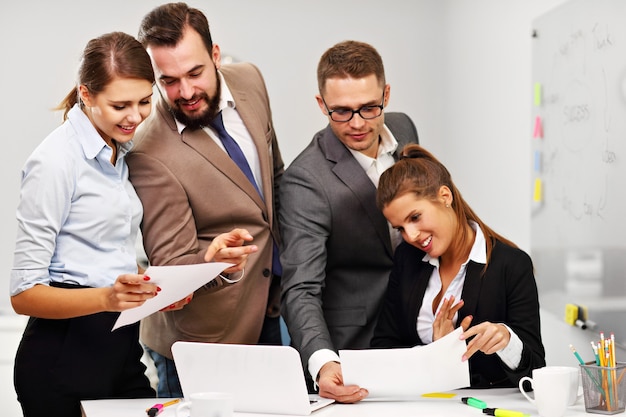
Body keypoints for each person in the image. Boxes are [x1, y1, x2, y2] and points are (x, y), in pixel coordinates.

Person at [127, 2, 284, 398]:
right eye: (169, 80)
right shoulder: (149, 150)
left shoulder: (250, 80)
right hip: (202, 339)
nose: (187, 92)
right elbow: (173, 269)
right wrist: (214, 262)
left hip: (273, 310)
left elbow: (274, 180)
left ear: (216, 55)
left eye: (195, 72)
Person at [9, 31, 158, 417]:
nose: (135, 116)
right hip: (62, 360)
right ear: (86, 95)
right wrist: (107, 298)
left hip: (120, 349)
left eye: (145, 101)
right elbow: (24, 294)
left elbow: (102, 257)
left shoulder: (117, 151)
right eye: (120, 104)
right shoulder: (56, 162)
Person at [279, 40, 419, 404]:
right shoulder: (305, 180)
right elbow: (301, 287)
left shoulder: (404, 131)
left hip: (419, 338)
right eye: (340, 111)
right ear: (321, 105)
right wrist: (324, 362)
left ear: (386, 95)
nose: (357, 124)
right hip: (353, 349)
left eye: (369, 108)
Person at [371, 144, 546, 388]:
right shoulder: (406, 259)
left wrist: (507, 341)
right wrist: (436, 351)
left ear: (445, 196)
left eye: (415, 217)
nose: (410, 235)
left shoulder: (511, 265)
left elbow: (536, 370)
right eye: (400, 228)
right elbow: (383, 348)